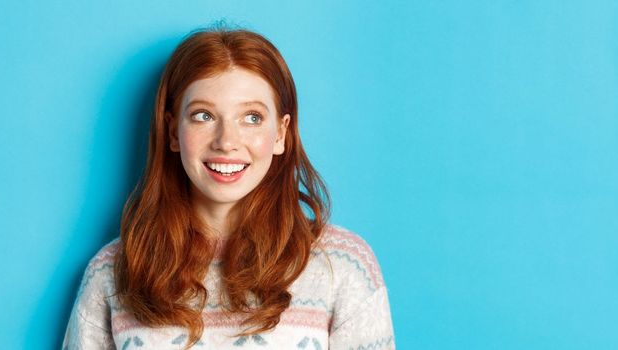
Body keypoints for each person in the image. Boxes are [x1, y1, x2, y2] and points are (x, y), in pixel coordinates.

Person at [62, 26, 394, 349]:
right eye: (203, 115)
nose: (227, 142)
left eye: (251, 117)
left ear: (281, 133)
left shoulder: (344, 265)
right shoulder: (113, 272)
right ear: (173, 132)